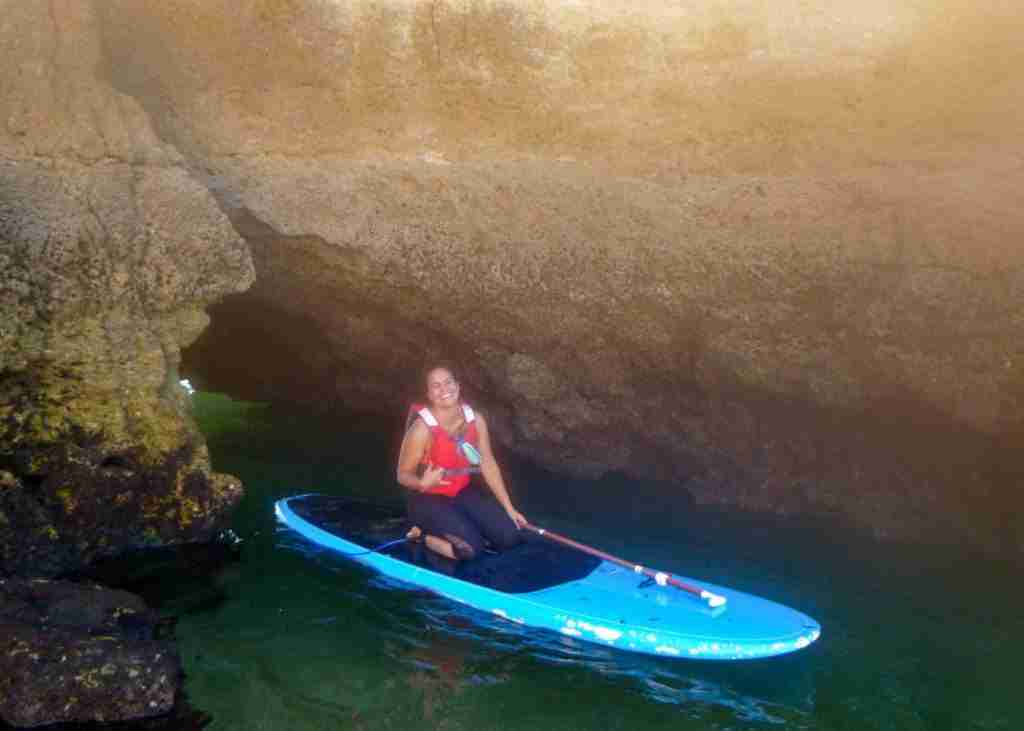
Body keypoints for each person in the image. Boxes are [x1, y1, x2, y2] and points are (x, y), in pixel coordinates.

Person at [397, 365, 527, 561]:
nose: (444, 389)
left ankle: (466, 525)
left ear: (458, 385)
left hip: (462, 492)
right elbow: (402, 474)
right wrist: (422, 483)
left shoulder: (476, 419)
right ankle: (420, 535)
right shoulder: (421, 429)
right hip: (427, 499)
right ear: (429, 394)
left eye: (448, 382)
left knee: (510, 537)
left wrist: (509, 508)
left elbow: (488, 464)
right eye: (436, 386)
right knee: (471, 550)